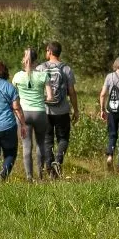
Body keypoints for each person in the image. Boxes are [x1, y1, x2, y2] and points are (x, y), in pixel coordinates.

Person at [37, 42, 76, 177]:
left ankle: (49, 167)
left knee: (47, 139)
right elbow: (71, 92)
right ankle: (58, 161)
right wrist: (75, 110)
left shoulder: (40, 68)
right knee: (63, 138)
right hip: (62, 110)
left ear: (49, 51)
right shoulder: (66, 69)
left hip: (45, 110)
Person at [13, 48, 51, 179]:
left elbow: (14, 96)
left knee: (26, 145)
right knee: (40, 144)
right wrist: (41, 99)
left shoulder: (17, 76)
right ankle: (41, 175)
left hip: (24, 113)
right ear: (36, 60)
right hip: (39, 112)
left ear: (24, 60)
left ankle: (29, 176)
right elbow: (50, 97)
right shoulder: (43, 75)